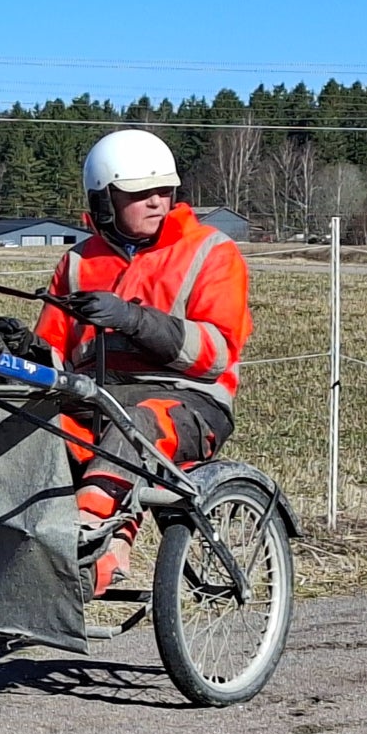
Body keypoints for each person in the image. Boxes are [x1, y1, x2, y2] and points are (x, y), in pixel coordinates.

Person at [19, 128, 253, 596]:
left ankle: (91, 538)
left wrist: (133, 319)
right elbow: (55, 353)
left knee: (137, 425)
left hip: (189, 402)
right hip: (94, 400)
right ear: (105, 200)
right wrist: (23, 348)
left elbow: (215, 353)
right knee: (27, 427)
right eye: (140, 193)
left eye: (164, 190)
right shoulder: (78, 261)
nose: (156, 202)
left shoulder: (212, 252)